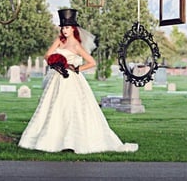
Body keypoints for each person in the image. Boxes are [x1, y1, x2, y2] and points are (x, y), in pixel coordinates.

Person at [18, 9, 138, 154]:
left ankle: (72, 141)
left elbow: (92, 62)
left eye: (67, 27)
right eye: (63, 27)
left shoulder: (76, 45)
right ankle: (52, 139)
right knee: (54, 106)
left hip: (72, 80)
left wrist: (77, 68)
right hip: (57, 78)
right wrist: (56, 63)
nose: (64, 30)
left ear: (73, 28)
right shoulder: (59, 41)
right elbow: (48, 55)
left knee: (73, 107)